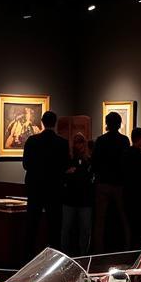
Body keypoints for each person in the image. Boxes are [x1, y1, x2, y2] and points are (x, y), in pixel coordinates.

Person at [22, 109, 69, 253]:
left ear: (42, 122)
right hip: (54, 187)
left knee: (32, 222)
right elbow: (65, 166)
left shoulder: (32, 140)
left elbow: (26, 164)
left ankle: (28, 254)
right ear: (54, 123)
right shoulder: (62, 142)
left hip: (35, 186)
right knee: (54, 224)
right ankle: (53, 254)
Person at [90, 111, 131, 252]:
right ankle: (127, 247)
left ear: (107, 123)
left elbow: (94, 162)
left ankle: (98, 250)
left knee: (100, 220)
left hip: (103, 183)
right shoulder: (124, 140)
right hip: (119, 183)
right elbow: (126, 163)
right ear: (119, 124)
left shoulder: (101, 140)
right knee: (123, 216)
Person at [61, 133, 94, 257]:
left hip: (85, 200)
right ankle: (65, 254)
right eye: (76, 142)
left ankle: (83, 254)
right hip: (70, 199)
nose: (78, 145)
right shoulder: (68, 160)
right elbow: (61, 177)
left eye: (81, 142)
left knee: (85, 229)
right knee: (67, 229)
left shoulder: (89, 161)